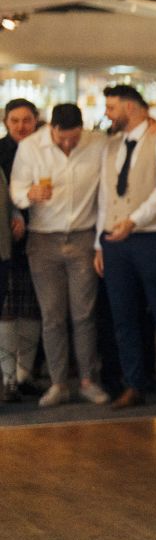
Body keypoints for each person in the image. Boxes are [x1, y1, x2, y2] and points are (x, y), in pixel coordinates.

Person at [93, 85, 156, 409]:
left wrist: (134, 221)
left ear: (131, 107)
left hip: (150, 237)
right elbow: (105, 196)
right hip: (114, 241)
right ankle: (133, 384)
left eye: (111, 107)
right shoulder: (111, 145)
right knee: (123, 317)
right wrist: (99, 243)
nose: (107, 114)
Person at [10, 103, 110, 407]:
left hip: (83, 236)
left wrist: (99, 243)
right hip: (43, 239)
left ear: (82, 131)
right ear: (51, 128)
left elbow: (106, 196)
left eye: (74, 138)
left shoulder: (98, 144)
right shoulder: (30, 147)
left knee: (84, 314)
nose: (68, 144)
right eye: (62, 138)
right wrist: (29, 195)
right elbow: (16, 189)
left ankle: (88, 380)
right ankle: (58, 383)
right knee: (52, 315)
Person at [0, 97, 42, 401]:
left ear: (36, 120)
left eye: (26, 120)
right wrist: (14, 216)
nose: (21, 126)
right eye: (15, 120)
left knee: (32, 308)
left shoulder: (44, 149)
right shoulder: (0, 151)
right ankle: (7, 378)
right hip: (6, 240)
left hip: (40, 235)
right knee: (7, 310)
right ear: (5, 122)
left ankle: (26, 374)